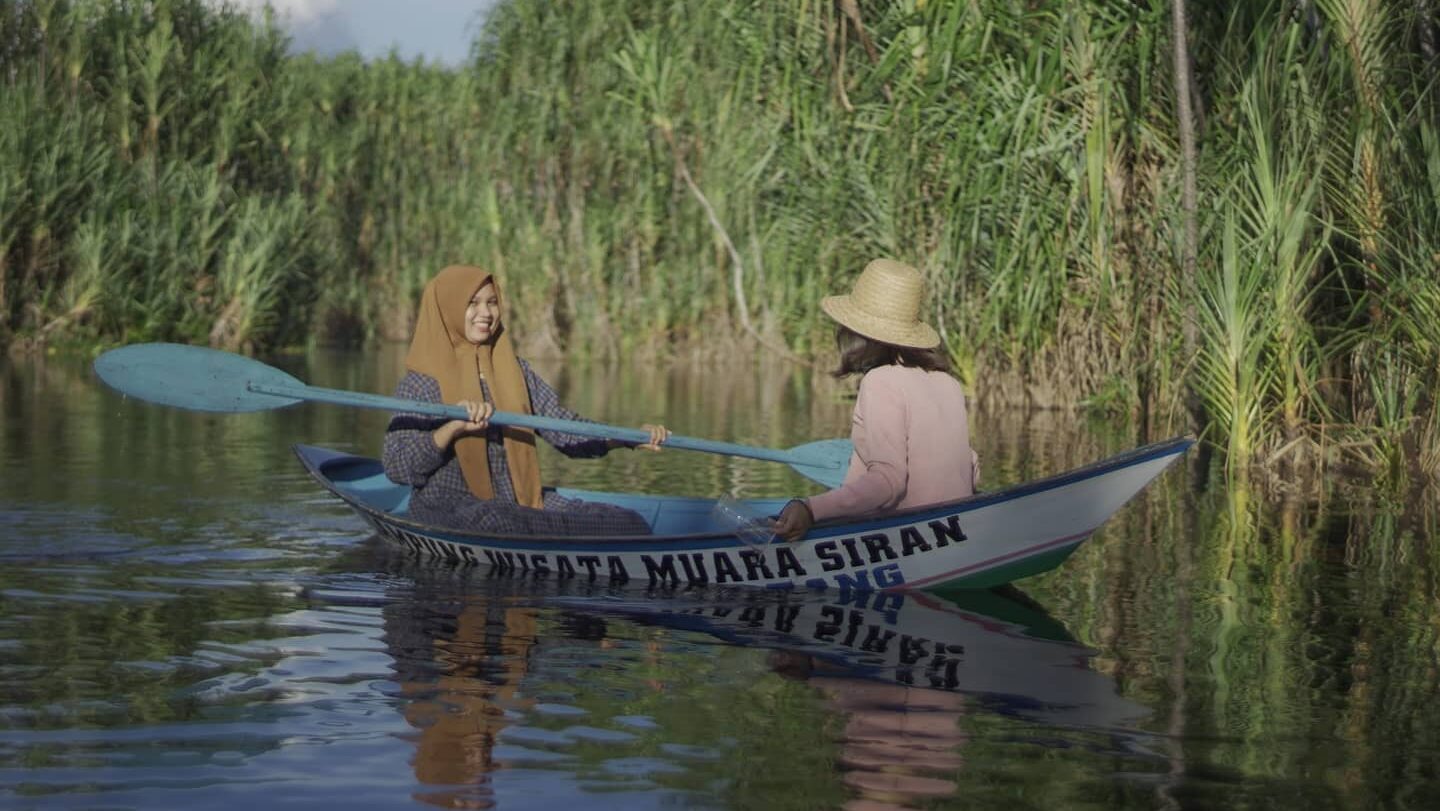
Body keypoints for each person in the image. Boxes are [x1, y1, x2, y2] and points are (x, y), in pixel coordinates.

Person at [383, 264, 669, 537]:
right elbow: (398, 468)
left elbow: (563, 428)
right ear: (449, 308)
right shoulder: (420, 383)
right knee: (501, 523)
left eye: (492, 302)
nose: (485, 313)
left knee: (627, 523)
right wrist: (452, 428)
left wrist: (625, 438)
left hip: (520, 501)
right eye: (473, 303)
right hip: (449, 506)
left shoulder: (517, 371)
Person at [773, 258, 978, 542]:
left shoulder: (881, 381)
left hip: (907, 537)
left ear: (858, 331)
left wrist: (809, 509)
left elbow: (887, 481)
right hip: (956, 527)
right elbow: (971, 468)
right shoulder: (949, 384)